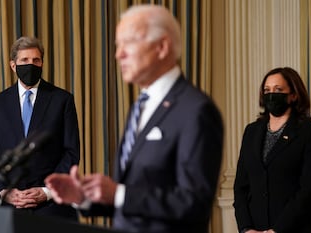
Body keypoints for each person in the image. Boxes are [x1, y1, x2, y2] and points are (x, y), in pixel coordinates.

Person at [45, 4, 223, 233]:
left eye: (128, 43)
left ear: (161, 47)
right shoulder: (140, 107)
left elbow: (194, 203)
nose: (119, 54)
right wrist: (84, 196)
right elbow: (130, 199)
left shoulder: (196, 110)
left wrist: (118, 193)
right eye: (118, 45)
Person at [0, 36, 80, 220]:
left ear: (42, 63)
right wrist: (5, 192)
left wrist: (46, 191)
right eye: (24, 60)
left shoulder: (62, 100)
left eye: (36, 60)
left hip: (52, 209)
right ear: (13, 65)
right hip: (8, 211)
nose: (31, 64)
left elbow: (71, 153)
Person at [233, 67, 311, 233]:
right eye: (267, 90)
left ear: (293, 95)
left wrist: (277, 230)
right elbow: (241, 187)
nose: (271, 94)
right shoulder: (251, 131)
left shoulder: (309, 132)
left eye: (278, 90)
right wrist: (246, 228)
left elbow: (309, 190)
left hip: (298, 228)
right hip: (256, 229)